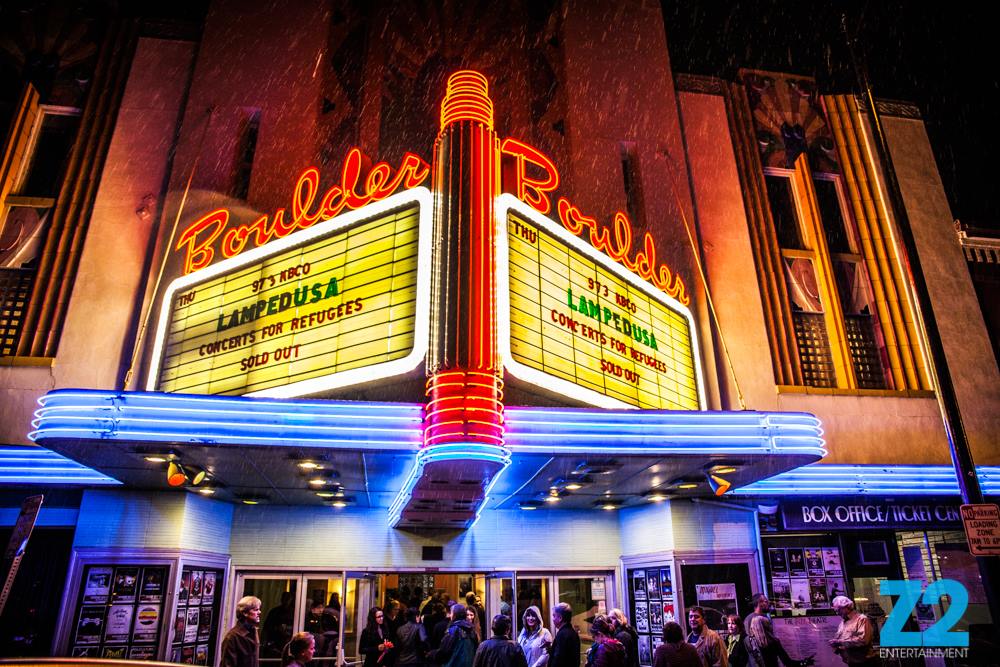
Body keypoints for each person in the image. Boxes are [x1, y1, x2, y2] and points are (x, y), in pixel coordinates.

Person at [744, 594, 812, 667]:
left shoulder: (765, 618)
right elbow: (750, 643)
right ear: (759, 603)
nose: (768, 603)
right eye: (766, 601)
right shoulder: (750, 619)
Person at [829, 596, 877, 666]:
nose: (837, 613)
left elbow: (863, 640)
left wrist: (840, 642)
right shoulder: (842, 623)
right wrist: (836, 645)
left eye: (838, 610)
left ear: (846, 607)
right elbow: (841, 640)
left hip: (865, 662)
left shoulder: (861, 619)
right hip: (851, 662)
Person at [221, 595, 261, 667]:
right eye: (256, 610)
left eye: (259, 609)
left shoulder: (254, 631)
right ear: (245, 613)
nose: (259, 612)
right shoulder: (232, 637)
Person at [550, 603, 581, 667]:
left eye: (554, 616)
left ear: (560, 618)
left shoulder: (562, 635)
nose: (553, 619)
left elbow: (558, 660)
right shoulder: (574, 633)